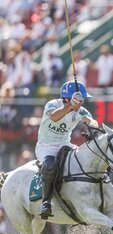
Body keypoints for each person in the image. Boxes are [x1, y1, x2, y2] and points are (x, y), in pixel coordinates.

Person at [35, 80, 98, 219]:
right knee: (50, 164)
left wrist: (92, 125)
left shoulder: (81, 110)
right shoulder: (52, 105)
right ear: (67, 98)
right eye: (79, 100)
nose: (81, 103)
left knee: (83, 160)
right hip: (46, 147)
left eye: (81, 100)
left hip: (65, 144)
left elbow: (92, 121)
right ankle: (46, 202)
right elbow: (54, 117)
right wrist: (70, 106)